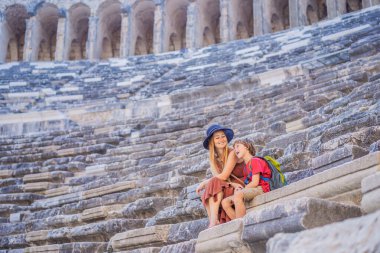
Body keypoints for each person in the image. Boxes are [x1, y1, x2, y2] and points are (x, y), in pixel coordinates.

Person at [196, 124, 245, 227]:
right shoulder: (215, 160)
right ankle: (213, 220)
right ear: (212, 142)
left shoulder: (232, 153)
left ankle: (213, 222)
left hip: (243, 183)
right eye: (217, 137)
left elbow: (223, 177)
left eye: (223, 136)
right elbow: (223, 181)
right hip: (232, 185)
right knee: (209, 188)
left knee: (213, 182)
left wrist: (206, 182)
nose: (221, 139)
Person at [221, 138, 271, 220]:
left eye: (237, 146)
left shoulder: (255, 161)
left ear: (246, 146)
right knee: (225, 202)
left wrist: (241, 190)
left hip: (262, 188)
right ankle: (237, 222)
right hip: (253, 189)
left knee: (238, 194)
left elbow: (255, 182)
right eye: (234, 148)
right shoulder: (246, 167)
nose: (235, 150)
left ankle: (241, 221)